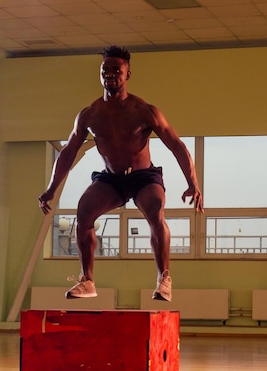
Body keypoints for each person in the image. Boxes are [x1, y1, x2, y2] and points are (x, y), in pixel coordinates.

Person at [38, 45, 203, 301]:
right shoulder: (90, 114)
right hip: (111, 179)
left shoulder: (145, 111)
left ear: (128, 75)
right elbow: (68, 153)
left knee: (156, 208)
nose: (110, 74)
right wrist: (50, 190)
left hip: (143, 177)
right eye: (106, 70)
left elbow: (177, 145)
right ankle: (88, 280)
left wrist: (192, 182)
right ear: (100, 74)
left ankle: (164, 278)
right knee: (83, 211)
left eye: (117, 70)